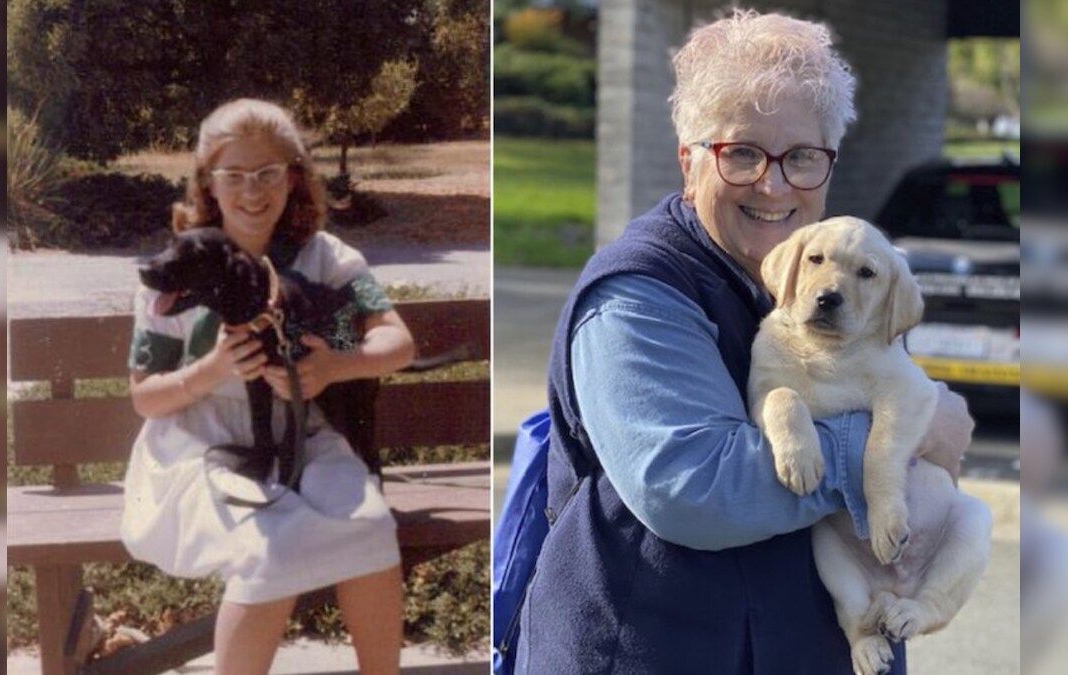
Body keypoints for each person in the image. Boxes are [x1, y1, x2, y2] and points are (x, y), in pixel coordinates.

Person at [516, 10, 974, 674]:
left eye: (803, 157)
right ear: (690, 160)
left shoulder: (832, 274)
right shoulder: (638, 293)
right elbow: (691, 484)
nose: (775, 183)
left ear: (828, 162)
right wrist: (909, 439)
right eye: (742, 153)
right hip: (657, 650)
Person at [121, 98, 413, 675]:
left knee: (374, 531)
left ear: (294, 177)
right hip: (199, 446)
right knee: (266, 552)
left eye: (268, 174)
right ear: (208, 182)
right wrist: (213, 370)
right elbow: (144, 395)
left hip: (299, 436)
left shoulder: (325, 258)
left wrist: (334, 367)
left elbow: (398, 344)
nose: (253, 192)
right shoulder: (183, 264)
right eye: (235, 176)